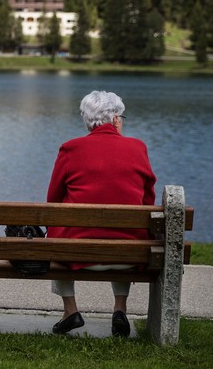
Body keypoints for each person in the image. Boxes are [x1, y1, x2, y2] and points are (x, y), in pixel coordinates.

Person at [46, 90, 157, 337]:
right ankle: (119, 309)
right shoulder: (138, 148)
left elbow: (52, 200)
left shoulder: (70, 149)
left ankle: (70, 310)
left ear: (88, 120)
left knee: (54, 236)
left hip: (76, 253)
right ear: (116, 119)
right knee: (128, 231)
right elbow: (148, 200)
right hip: (127, 254)